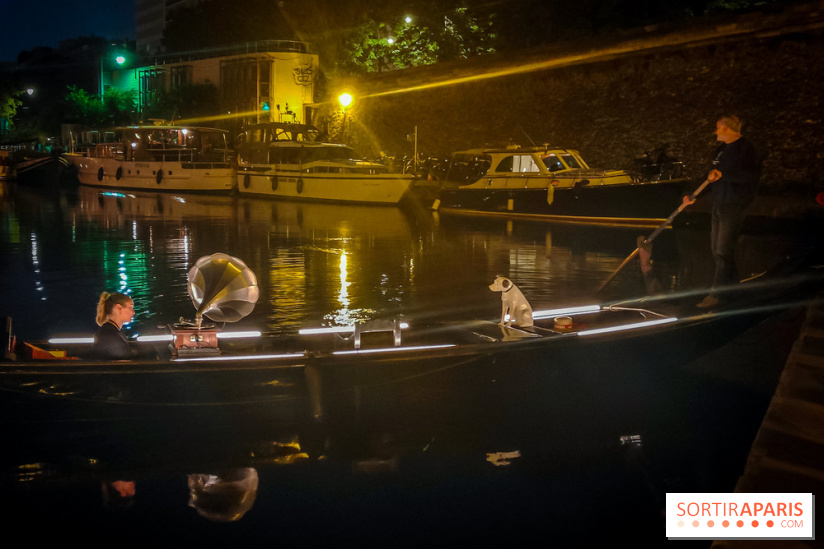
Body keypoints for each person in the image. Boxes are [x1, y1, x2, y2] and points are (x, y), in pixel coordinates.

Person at [685, 115, 760, 309]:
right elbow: (712, 178)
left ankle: (716, 295)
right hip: (718, 204)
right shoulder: (720, 151)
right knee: (717, 252)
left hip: (733, 205)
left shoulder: (746, 149)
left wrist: (724, 174)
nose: (715, 131)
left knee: (723, 251)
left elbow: (749, 176)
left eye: (718, 128)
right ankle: (734, 291)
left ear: (727, 129)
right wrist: (693, 195)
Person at [92, 291, 135, 359]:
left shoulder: (111, 331)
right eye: (130, 307)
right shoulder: (111, 336)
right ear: (118, 308)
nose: (133, 312)